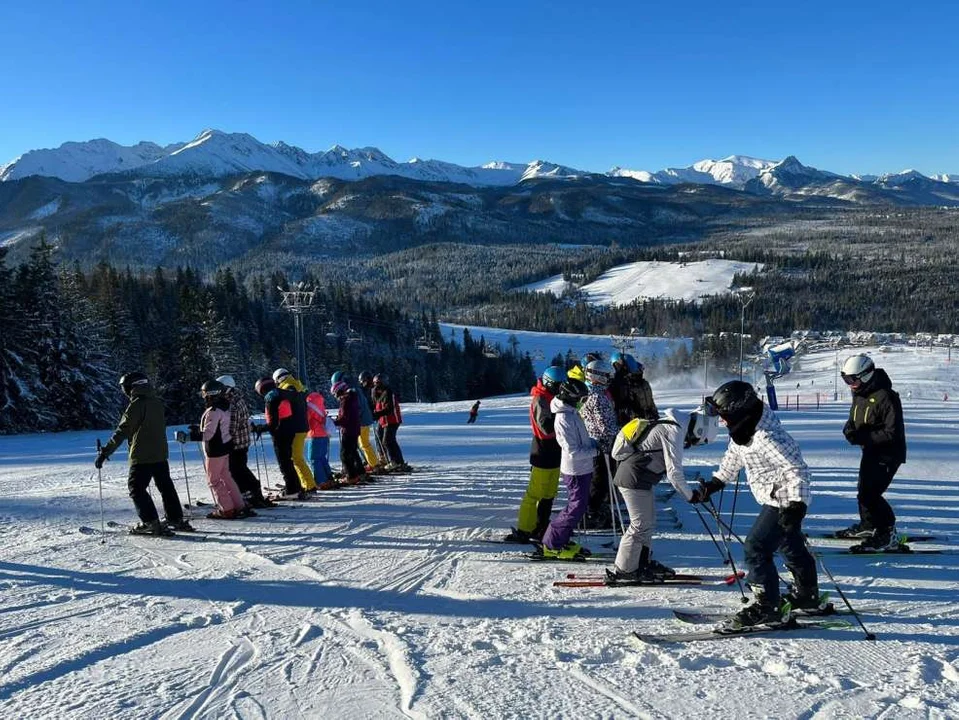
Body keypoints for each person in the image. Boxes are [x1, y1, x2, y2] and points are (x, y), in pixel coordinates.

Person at [694, 381, 820, 629]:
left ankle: (768, 608)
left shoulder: (767, 437)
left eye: (724, 415)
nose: (722, 421)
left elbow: (797, 468)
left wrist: (797, 504)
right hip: (774, 498)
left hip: (783, 501)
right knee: (790, 545)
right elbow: (734, 456)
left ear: (739, 410)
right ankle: (808, 596)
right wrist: (717, 482)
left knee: (756, 547)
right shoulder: (746, 428)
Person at [606, 407, 716, 583]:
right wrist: (691, 496)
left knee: (647, 522)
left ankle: (641, 563)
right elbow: (674, 472)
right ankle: (625, 569)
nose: (690, 443)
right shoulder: (674, 430)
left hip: (640, 479)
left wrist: (691, 493)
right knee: (640, 524)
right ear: (697, 431)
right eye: (695, 441)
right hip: (633, 478)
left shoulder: (674, 426)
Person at [95, 372, 192, 535]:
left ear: (133, 387)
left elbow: (123, 430)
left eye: (125, 388)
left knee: (136, 488)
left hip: (142, 455)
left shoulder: (137, 405)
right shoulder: (156, 402)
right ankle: (175, 518)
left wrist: (105, 452)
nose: (124, 392)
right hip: (160, 453)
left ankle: (150, 522)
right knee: (165, 486)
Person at [837, 354, 907, 550]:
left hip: (888, 453)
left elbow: (892, 432)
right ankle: (869, 526)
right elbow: (855, 418)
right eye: (846, 379)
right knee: (863, 491)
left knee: (871, 494)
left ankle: (887, 533)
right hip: (870, 451)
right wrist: (849, 430)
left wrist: (863, 437)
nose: (849, 384)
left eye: (852, 379)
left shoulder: (887, 397)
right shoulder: (860, 393)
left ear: (866, 375)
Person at [534, 378, 597, 560]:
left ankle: (561, 538)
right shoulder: (563, 418)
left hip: (583, 467)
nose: (582, 403)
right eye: (581, 399)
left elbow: (580, 441)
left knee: (579, 506)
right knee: (575, 508)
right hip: (575, 469)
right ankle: (552, 543)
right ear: (570, 397)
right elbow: (572, 450)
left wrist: (594, 443)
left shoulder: (571, 413)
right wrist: (595, 450)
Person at [504, 366, 566, 543]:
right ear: (550, 384)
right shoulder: (540, 399)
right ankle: (525, 529)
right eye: (558, 386)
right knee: (534, 494)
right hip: (543, 452)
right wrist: (563, 421)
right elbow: (545, 427)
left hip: (555, 452)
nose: (561, 389)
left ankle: (541, 525)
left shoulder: (554, 398)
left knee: (549, 493)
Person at [189, 380, 249, 519]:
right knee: (226, 477)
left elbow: (209, 434)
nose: (204, 397)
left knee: (213, 480)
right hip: (225, 447)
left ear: (210, 394)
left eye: (204, 394)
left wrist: (190, 436)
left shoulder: (213, 411)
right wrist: (198, 429)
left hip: (215, 450)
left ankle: (226, 508)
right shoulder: (225, 407)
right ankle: (238, 505)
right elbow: (216, 428)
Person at [216, 375, 275, 508]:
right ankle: (250, 493)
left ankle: (248, 493)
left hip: (236, 442)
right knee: (239, 469)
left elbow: (233, 425)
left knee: (236, 470)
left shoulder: (232, 402)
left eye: (221, 389)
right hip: (240, 441)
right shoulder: (235, 399)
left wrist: (221, 435)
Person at [580, 359, 619, 530]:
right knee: (600, 481)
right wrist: (624, 431)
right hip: (602, 445)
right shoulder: (597, 397)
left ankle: (595, 509)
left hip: (596, 443)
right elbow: (605, 426)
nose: (609, 379)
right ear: (598, 376)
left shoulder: (593, 393)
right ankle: (592, 513)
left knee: (600, 481)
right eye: (607, 376)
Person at [255, 376, 305, 499]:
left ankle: (292, 490)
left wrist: (260, 428)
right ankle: (296, 487)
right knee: (289, 461)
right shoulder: (282, 394)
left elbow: (273, 423)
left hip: (280, 434)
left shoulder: (271, 399)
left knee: (284, 463)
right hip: (290, 430)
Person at [273, 369, 317, 492]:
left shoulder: (290, 386)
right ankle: (305, 482)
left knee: (296, 458)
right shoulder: (297, 384)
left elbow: (291, 395)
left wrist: (277, 392)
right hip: (300, 426)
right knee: (296, 457)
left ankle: (309, 484)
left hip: (297, 427)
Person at [372, 374, 409, 471]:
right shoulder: (377, 393)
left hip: (392, 420)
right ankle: (389, 459)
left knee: (388, 440)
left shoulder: (388, 393)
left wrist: (378, 414)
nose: (376, 386)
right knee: (381, 438)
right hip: (383, 420)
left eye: (378, 383)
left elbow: (389, 408)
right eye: (375, 383)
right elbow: (376, 406)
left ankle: (395, 461)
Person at [331, 379, 365, 485]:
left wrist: (334, 422)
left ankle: (352, 476)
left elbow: (345, 418)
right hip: (354, 429)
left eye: (335, 393)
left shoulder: (346, 400)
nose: (336, 396)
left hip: (349, 430)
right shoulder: (352, 397)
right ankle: (357, 472)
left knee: (345, 455)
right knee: (352, 452)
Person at [609, 352, 658, 425]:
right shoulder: (642, 383)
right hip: (641, 421)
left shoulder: (627, 384)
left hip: (640, 422)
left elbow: (650, 401)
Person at [350, 371, 383, 472]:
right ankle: (371, 461)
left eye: (364, 381)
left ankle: (374, 463)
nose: (364, 383)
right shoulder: (364, 390)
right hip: (367, 418)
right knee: (363, 443)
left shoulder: (367, 390)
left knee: (364, 443)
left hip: (365, 419)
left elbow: (368, 404)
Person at [305, 384, 335, 490]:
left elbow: (306, 422)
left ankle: (321, 481)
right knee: (322, 458)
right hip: (324, 434)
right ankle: (328, 478)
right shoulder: (320, 406)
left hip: (315, 434)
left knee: (313, 458)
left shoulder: (309, 408)